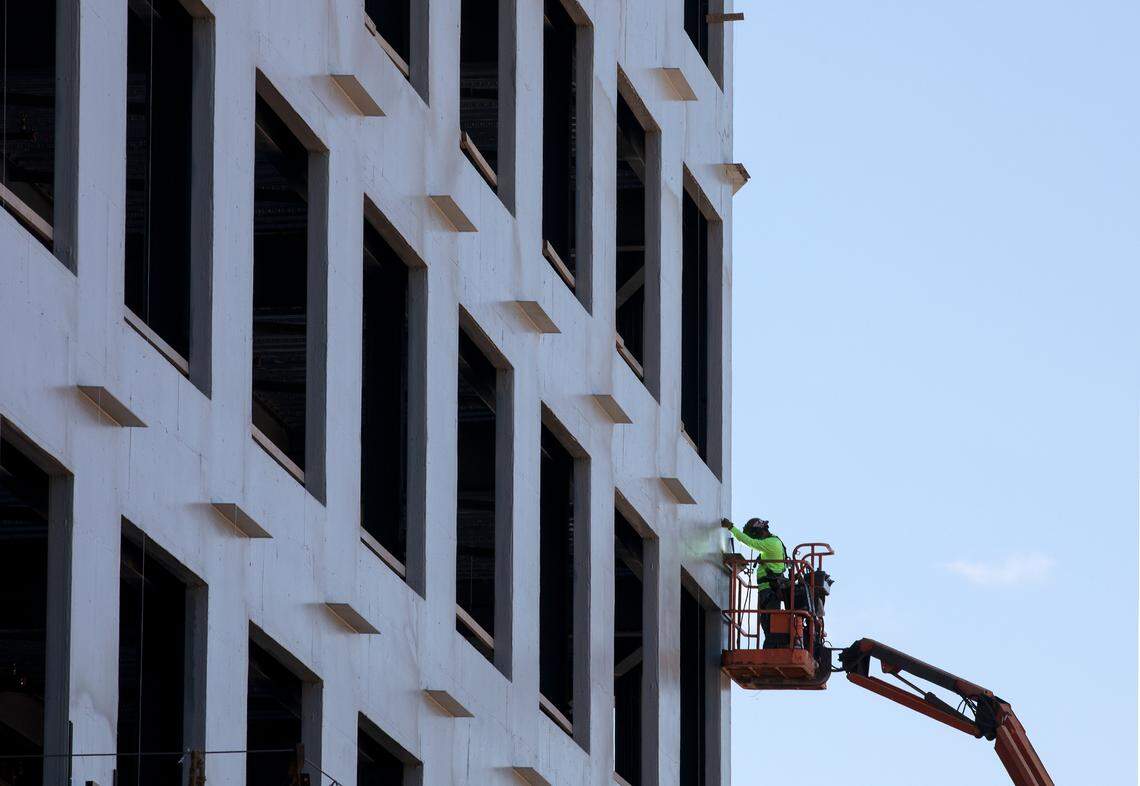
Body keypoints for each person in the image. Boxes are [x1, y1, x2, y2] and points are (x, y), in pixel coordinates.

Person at [721, 517, 789, 648]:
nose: (756, 539)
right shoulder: (773, 542)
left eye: (755, 536)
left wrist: (731, 527)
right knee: (767, 623)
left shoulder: (771, 543)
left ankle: (771, 650)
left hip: (769, 591)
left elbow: (748, 542)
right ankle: (771, 647)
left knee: (769, 623)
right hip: (768, 590)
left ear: (758, 532)